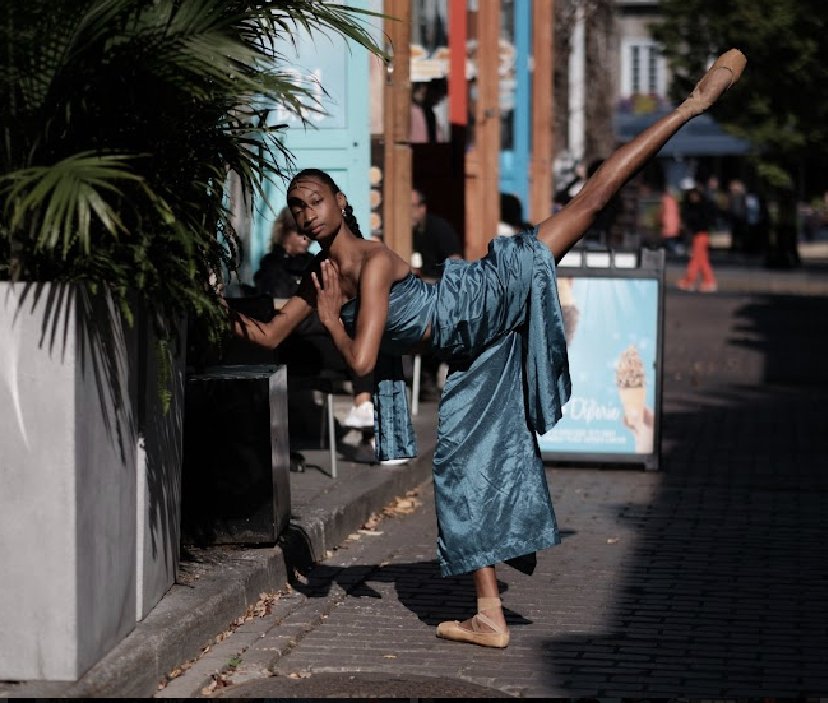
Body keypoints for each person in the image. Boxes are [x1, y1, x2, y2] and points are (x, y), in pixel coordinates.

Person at [229, 49, 746, 648]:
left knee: (588, 204)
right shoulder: (316, 277)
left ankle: (691, 105)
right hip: (472, 352)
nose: (305, 212)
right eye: (296, 206)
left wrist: (329, 319)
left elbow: (363, 362)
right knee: (461, 465)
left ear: (342, 204)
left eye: (315, 199)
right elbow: (266, 335)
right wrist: (203, 303)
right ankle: (488, 615)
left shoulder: (367, 265)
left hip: (482, 298)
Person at [255, 207, 375, 431]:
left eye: (308, 236)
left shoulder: (317, 263)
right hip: (293, 341)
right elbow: (278, 306)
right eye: (300, 234)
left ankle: (365, 411)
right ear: (285, 233)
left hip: (322, 335)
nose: (305, 240)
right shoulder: (271, 266)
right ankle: (365, 414)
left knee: (367, 346)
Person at [676, 187, 718, 292]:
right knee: (702, 260)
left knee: (696, 259)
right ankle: (709, 281)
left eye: (695, 196)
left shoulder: (701, 208)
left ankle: (688, 281)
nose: (694, 198)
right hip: (698, 235)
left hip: (702, 234)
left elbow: (704, 220)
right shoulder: (695, 208)